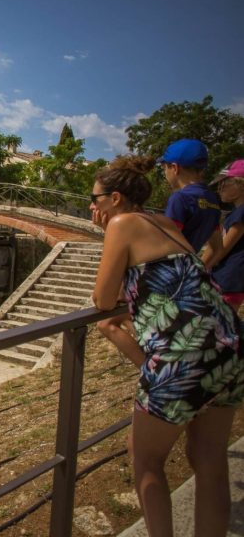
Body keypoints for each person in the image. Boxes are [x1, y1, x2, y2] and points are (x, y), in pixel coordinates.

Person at [90, 155, 242, 537]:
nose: (92, 207)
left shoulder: (122, 224)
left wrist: (103, 234)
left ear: (117, 199)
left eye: (95, 199)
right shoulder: (163, 223)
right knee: (209, 460)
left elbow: (102, 299)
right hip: (229, 346)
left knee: (146, 461)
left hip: (184, 357)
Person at [97, 139, 222, 359]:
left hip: (178, 326)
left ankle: (152, 371)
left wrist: (109, 233)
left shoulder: (179, 199)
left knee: (107, 322)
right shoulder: (211, 200)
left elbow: (103, 300)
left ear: (174, 168)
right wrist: (192, 273)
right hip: (220, 330)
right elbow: (216, 247)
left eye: (94, 199)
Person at [205, 159, 244, 313]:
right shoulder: (235, 213)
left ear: (241, 185)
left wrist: (198, 269)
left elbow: (221, 249)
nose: (220, 188)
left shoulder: (241, 214)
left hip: (229, 279)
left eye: (225, 183)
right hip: (228, 278)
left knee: (221, 328)